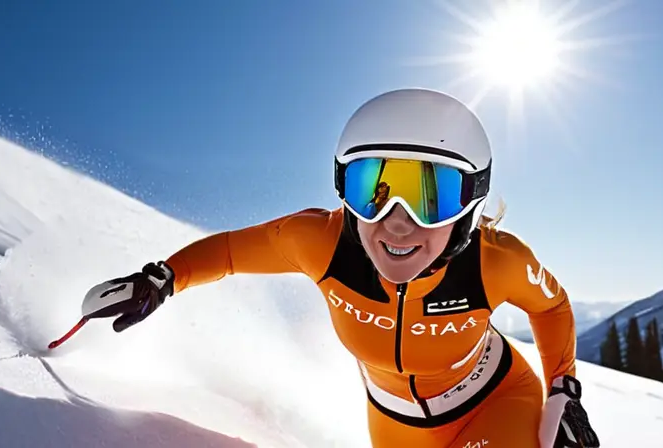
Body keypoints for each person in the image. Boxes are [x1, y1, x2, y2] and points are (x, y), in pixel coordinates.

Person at [76, 88, 599, 447]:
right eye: (372, 190)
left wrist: (562, 386)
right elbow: (232, 253)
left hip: (498, 402)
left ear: (471, 205)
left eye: (431, 197)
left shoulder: (497, 261)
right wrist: (161, 279)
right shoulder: (320, 243)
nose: (396, 224)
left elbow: (550, 305)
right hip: (394, 426)